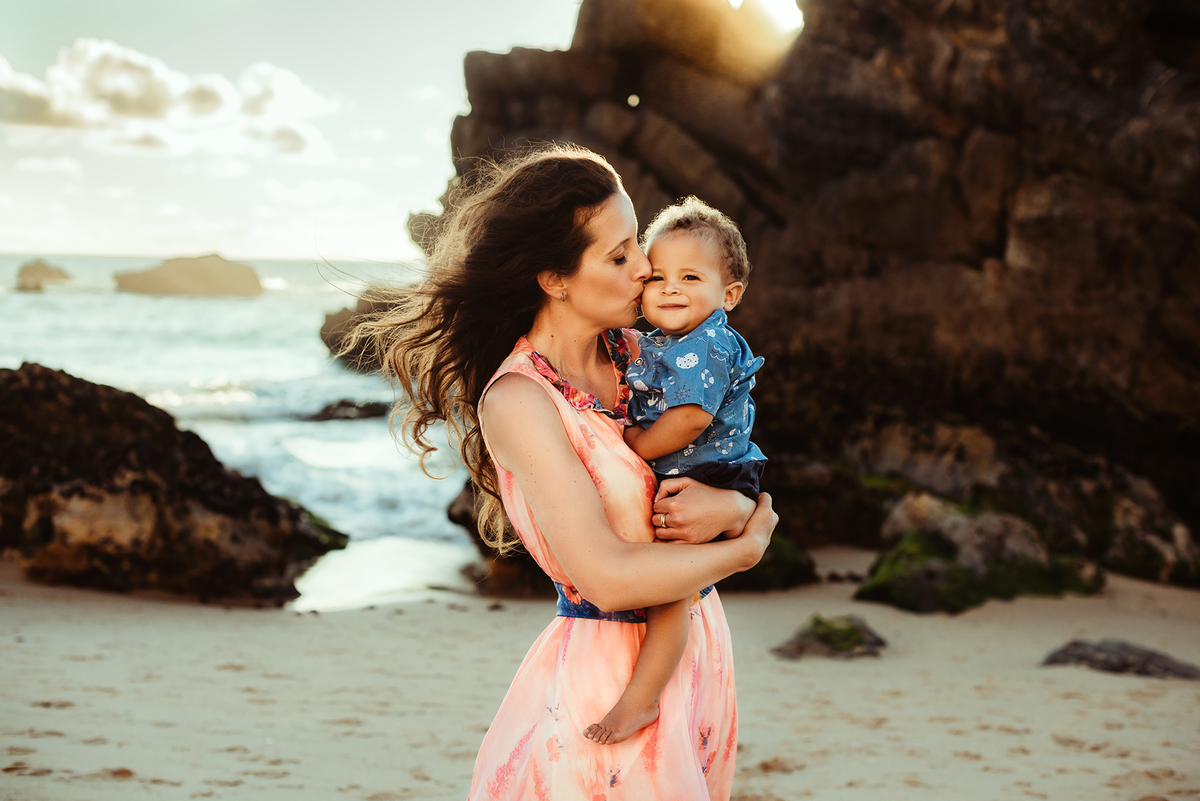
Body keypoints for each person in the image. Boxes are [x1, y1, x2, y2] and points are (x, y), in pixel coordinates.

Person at [349, 144, 776, 800]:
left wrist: (734, 511)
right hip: (609, 670)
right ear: (554, 277)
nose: (645, 270)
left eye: (637, 243)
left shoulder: (641, 352)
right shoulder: (519, 401)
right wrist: (744, 548)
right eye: (619, 255)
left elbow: (727, 455)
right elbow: (607, 577)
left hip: (697, 649)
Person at [583, 196, 767, 747]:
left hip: (711, 474)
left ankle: (640, 702)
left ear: (728, 295)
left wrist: (635, 442)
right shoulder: (664, 342)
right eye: (658, 275)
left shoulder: (706, 342)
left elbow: (688, 419)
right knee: (672, 588)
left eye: (690, 277)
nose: (668, 288)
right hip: (706, 473)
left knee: (670, 596)